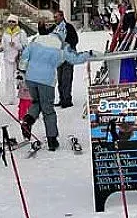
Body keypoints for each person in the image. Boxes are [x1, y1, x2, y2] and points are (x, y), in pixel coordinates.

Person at [19, 20, 93, 151]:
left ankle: (27, 120)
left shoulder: (37, 39)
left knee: (36, 102)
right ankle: (52, 140)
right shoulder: (62, 45)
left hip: (31, 78)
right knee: (48, 109)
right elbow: (74, 59)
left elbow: (24, 56)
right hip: (46, 80)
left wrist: (23, 70)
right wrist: (90, 54)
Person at [53, 9, 80, 108]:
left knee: (66, 78)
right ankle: (62, 98)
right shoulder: (54, 28)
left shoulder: (68, 27)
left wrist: (67, 45)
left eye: (56, 17)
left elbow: (75, 40)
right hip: (59, 56)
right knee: (60, 78)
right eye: (54, 17)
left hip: (68, 55)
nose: (55, 19)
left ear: (62, 16)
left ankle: (67, 99)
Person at [0, 14, 28, 107]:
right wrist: (2, 48)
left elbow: (25, 46)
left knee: (19, 79)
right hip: (7, 58)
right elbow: (3, 43)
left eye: (13, 22)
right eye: (10, 21)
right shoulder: (5, 33)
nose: (11, 23)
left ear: (16, 23)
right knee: (8, 78)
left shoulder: (21, 33)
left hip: (18, 58)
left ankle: (22, 96)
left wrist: (15, 45)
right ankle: (10, 98)